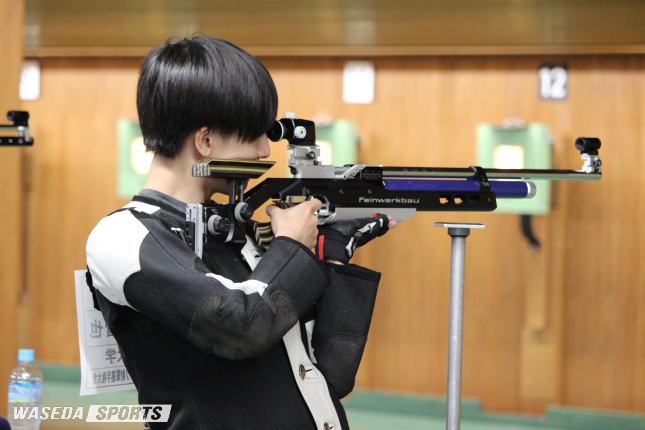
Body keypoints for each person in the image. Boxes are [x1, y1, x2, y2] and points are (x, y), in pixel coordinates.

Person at [85, 36, 395, 430]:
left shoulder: (236, 233)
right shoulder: (121, 237)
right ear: (206, 141)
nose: (264, 151)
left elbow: (327, 375)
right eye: (254, 135)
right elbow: (242, 326)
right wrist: (289, 245)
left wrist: (331, 254)